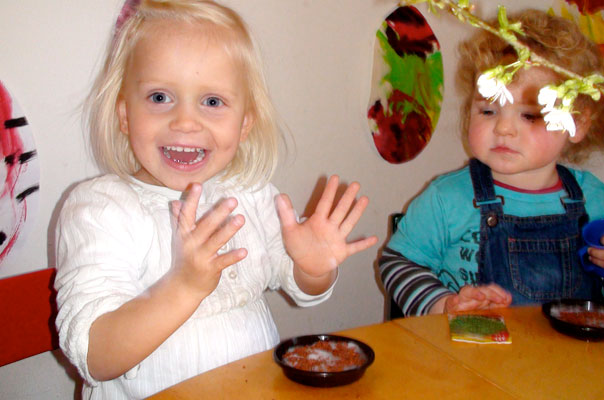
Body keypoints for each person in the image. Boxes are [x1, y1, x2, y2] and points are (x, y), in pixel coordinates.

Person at [54, 1, 378, 398]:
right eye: (159, 97)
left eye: (211, 102)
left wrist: (311, 268)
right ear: (124, 115)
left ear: (244, 124)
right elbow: (94, 355)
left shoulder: (251, 195)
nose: (186, 122)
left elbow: (299, 284)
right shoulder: (101, 210)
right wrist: (183, 287)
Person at [379, 9, 604, 317]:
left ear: (576, 123)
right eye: (488, 111)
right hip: (466, 358)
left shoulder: (594, 197)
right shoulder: (448, 198)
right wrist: (442, 304)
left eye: (529, 115)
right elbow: (397, 262)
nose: (503, 129)